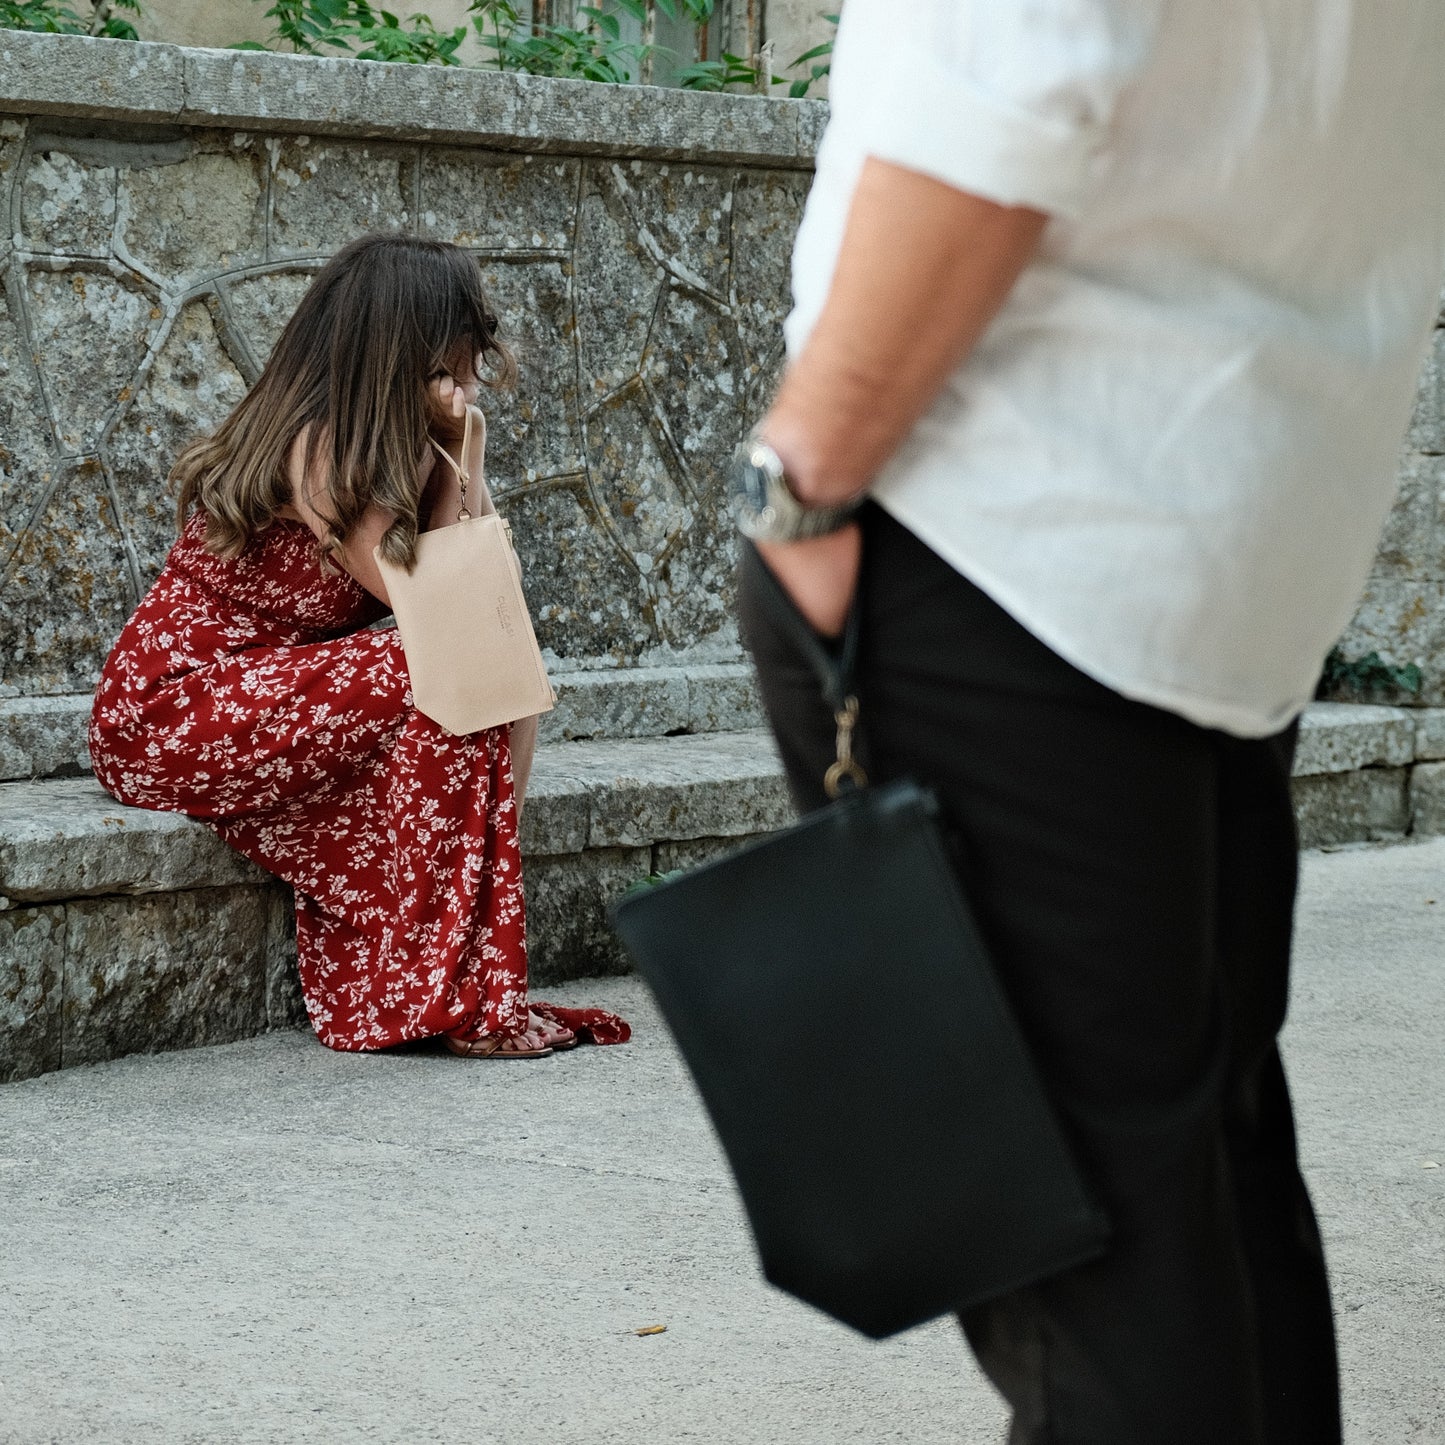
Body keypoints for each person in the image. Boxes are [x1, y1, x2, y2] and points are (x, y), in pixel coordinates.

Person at [727, 3, 1445, 1442]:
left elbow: (1013, 73)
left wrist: (799, 480)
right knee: (1199, 1192)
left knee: (1094, 1274)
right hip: (1226, 517)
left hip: (1008, 515)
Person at [90, 233, 628, 1061]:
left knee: (460, 662)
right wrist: (467, 444)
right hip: (168, 712)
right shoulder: (328, 450)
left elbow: (491, 625)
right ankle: (423, 978)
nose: (472, 368)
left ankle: (452, 960)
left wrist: (460, 449)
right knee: (433, 661)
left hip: (255, 695)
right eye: (457, 349)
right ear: (409, 347)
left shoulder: (396, 447)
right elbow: (459, 605)